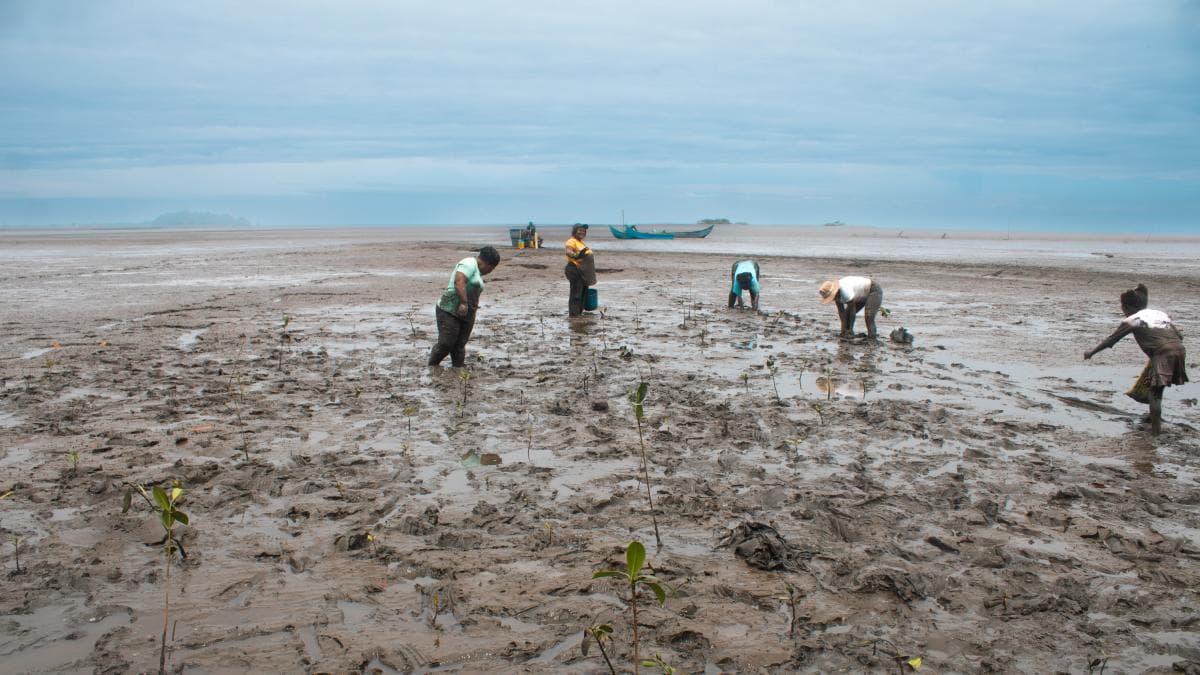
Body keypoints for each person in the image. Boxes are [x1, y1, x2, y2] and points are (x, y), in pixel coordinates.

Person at [1084, 284, 1187, 435]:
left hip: (1162, 353)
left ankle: (1156, 433)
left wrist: (1091, 352)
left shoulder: (1133, 320)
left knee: (1155, 394)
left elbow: (1111, 340)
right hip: (1179, 350)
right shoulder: (1159, 314)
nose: (1123, 310)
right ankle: (1153, 419)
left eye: (1123, 307)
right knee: (1158, 387)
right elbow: (1179, 336)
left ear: (1128, 307)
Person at [428, 246, 501, 367]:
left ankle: (458, 369)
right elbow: (459, 281)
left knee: (459, 346)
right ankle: (432, 366)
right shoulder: (469, 263)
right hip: (449, 309)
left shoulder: (477, 274)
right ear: (487, 264)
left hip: (468, 313)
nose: (490, 271)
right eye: (492, 268)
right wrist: (463, 303)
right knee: (446, 343)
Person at [818, 276, 882, 338]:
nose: (832, 299)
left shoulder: (845, 291)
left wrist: (851, 329)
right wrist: (843, 330)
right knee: (847, 315)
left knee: (869, 317)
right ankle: (846, 332)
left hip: (873, 290)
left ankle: (872, 337)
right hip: (860, 295)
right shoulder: (837, 295)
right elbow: (841, 312)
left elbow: (852, 311)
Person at [564, 223, 595, 317]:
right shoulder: (571, 241)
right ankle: (574, 315)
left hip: (583, 272)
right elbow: (568, 251)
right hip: (575, 270)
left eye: (584, 231)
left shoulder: (581, 243)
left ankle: (579, 313)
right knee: (576, 294)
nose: (582, 232)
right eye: (580, 230)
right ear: (575, 231)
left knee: (583, 293)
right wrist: (575, 255)